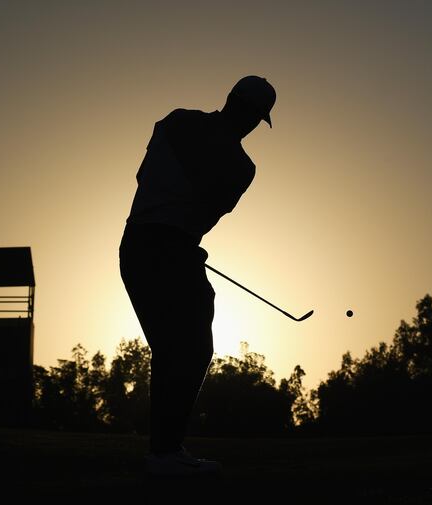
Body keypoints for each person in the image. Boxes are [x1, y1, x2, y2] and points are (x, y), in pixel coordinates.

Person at [118, 76, 276, 477]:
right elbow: (208, 207)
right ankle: (165, 453)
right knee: (185, 349)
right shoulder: (241, 166)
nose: (252, 124)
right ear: (251, 114)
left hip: (140, 245)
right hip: (165, 248)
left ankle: (164, 451)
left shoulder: (178, 123)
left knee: (178, 348)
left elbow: (150, 178)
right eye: (255, 116)